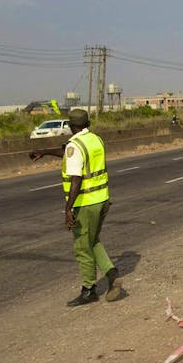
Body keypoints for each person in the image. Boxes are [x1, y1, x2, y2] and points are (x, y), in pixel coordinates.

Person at [30, 109, 122, 306]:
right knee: (92, 240)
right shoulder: (95, 139)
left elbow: (76, 178)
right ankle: (112, 274)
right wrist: (45, 152)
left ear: (71, 126)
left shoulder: (75, 145)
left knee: (82, 246)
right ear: (88, 124)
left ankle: (89, 290)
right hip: (102, 199)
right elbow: (69, 153)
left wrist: (68, 209)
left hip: (85, 204)